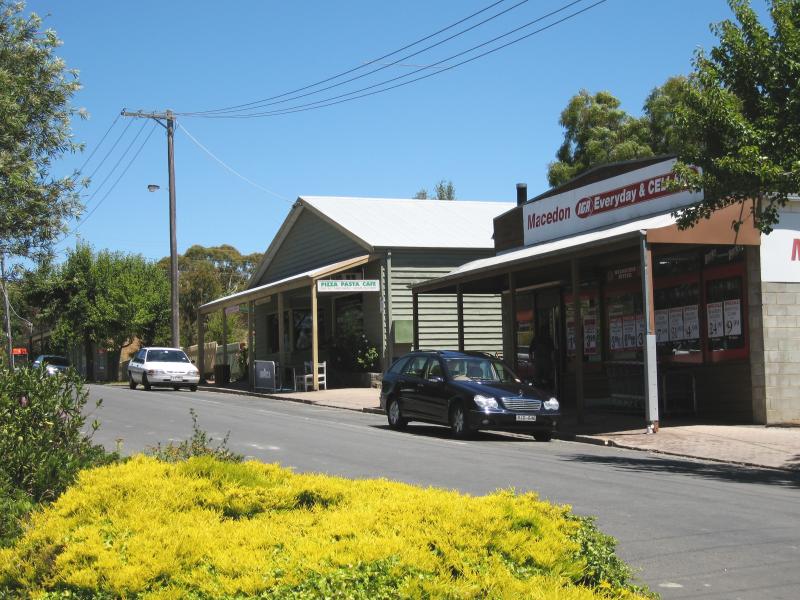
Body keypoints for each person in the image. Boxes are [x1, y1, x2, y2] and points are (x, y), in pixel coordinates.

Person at [528, 325, 555, 389]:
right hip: (547, 362)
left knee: (537, 381)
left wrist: (532, 361)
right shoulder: (549, 339)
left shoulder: (536, 339)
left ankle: (540, 391)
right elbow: (552, 353)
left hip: (538, 363)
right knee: (546, 380)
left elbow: (530, 351)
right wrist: (553, 363)